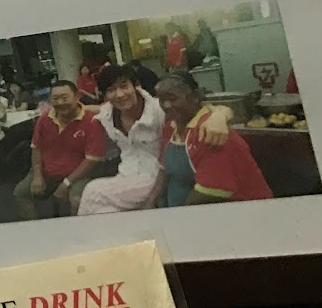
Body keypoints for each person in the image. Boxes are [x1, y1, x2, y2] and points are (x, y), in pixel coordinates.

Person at [77, 65, 235, 215]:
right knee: (104, 212)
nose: (119, 94)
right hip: (124, 178)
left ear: (136, 86)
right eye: (111, 90)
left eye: (124, 86)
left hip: (154, 179)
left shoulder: (161, 109)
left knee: (93, 191)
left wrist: (220, 115)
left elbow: (203, 110)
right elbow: (88, 109)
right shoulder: (108, 114)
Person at [144, 71, 272, 207]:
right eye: (162, 100)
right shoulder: (171, 126)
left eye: (173, 98)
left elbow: (207, 194)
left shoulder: (212, 131)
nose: (166, 105)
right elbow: (164, 171)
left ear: (195, 97)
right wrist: (149, 205)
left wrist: (175, 216)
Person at [13, 80, 105, 220]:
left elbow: (91, 160)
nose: (60, 102)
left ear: (77, 96)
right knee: (20, 193)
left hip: (78, 174)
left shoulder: (92, 121)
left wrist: (66, 183)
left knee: (77, 200)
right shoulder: (44, 119)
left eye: (65, 97)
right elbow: (36, 148)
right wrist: (37, 175)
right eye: (55, 98)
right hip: (47, 170)